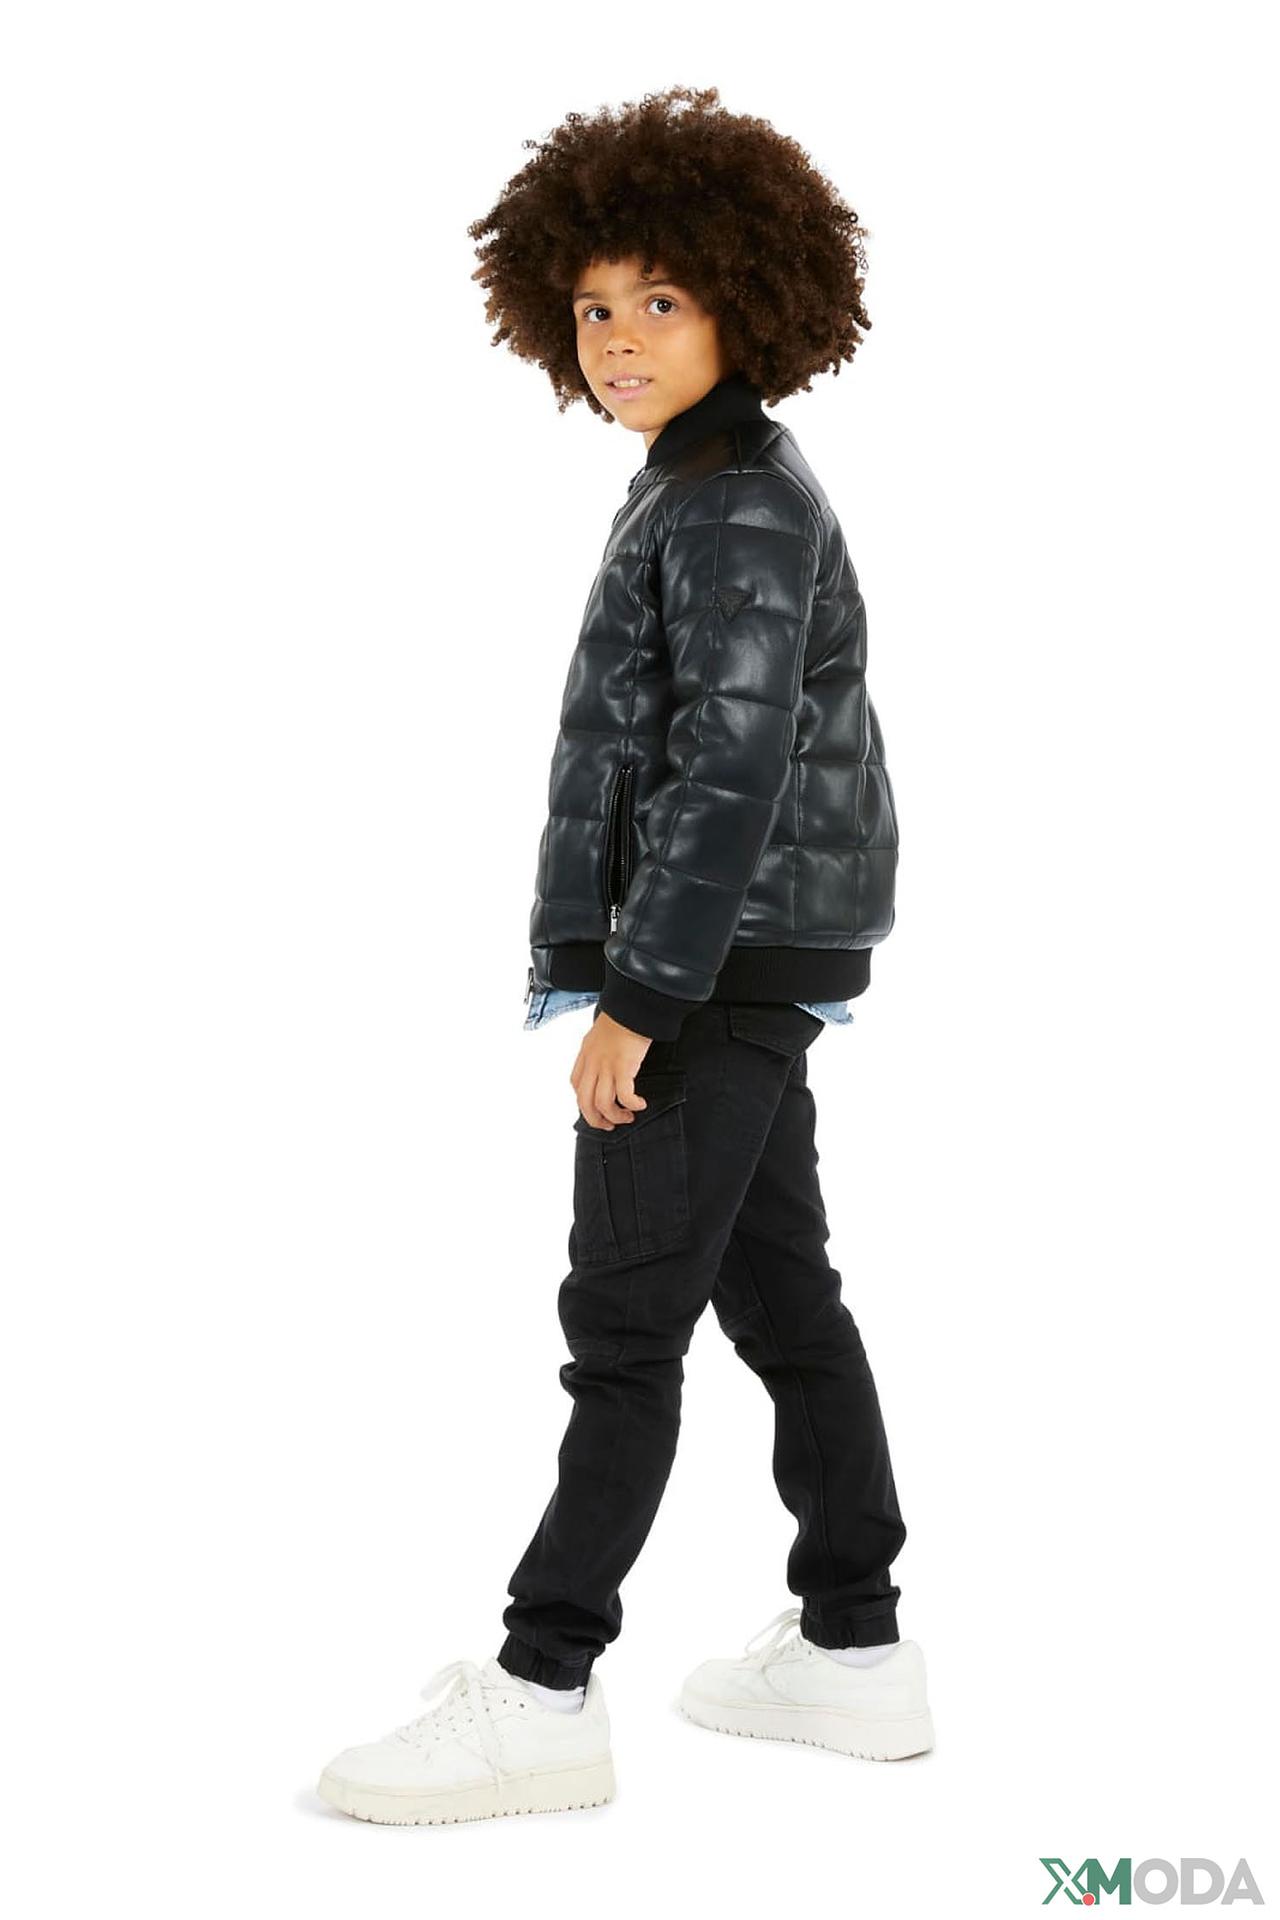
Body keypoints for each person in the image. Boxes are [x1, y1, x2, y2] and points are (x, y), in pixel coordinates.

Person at [317, 83, 933, 1829]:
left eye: (660, 298)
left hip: (714, 968)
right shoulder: (702, 482)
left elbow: (728, 771)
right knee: (782, 1295)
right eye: (592, 307)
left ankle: (541, 1686)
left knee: (624, 1322)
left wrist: (639, 1000)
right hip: (755, 951)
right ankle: (855, 1646)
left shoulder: (733, 503)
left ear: (750, 295)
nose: (618, 340)